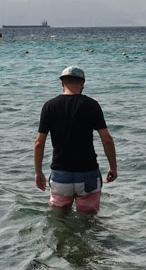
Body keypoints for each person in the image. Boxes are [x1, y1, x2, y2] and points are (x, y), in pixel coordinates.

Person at [34, 66, 117, 213]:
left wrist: (38, 172)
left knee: (59, 219)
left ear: (62, 83)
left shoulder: (49, 106)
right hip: (87, 173)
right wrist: (113, 167)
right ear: (82, 83)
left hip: (61, 176)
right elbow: (107, 140)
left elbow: (39, 143)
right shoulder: (91, 105)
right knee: (88, 220)